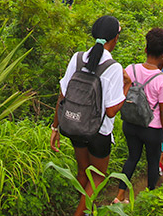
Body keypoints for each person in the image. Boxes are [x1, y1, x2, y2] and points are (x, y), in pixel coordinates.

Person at [51, 16, 127, 216]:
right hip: (99, 133)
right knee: (98, 177)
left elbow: (63, 95)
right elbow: (111, 111)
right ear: (115, 39)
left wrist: (55, 127)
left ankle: (85, 207)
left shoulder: (77, 58)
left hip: (75, 124)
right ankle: (80, 213)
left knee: (83, 172)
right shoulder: (114, 68)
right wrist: (127, 87)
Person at [112, 28, 163, 203]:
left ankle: (119, 195)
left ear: (146, 49)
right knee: (153, 162)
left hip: (130, 124)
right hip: (152, 129)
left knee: (132, 157)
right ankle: (149, 197)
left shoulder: (129, 70)